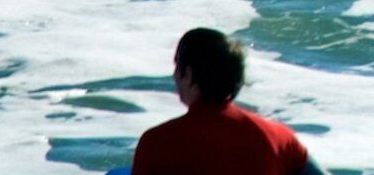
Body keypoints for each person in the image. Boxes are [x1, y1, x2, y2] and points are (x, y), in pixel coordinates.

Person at [129, 27, 318, 174]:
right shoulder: (278, 137)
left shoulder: (159, 142)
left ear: (188, 74)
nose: (174, 75)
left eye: (177, 65)